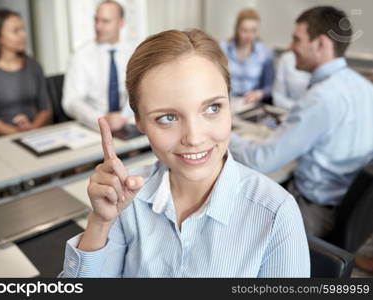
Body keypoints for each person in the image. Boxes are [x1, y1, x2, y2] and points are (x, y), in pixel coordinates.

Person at [60, 29, 310, 278]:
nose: (194, 138)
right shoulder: (125, 198)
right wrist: (100, 224)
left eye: (213, 107)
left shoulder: (276, 213)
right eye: (167, 118)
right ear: (139, 122)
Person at [230, 6, 373, 238]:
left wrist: (223, 133)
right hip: (350, 209)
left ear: (322, 44)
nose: (290, 47)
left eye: (296, 39)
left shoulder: (320, 98)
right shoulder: (365, 88)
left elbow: (260, 161)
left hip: (315, 213)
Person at [0, 9, 51, 137]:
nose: (23, 34)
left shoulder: (34, 65)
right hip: (1, 140)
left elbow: (45, 109)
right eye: (16, 31)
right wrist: (19, 134)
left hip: (35, 134)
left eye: (23, 29)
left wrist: (31, 129)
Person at [62, 0, 135, 131]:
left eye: (105, 21)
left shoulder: (134, 52)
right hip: (95, 127)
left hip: (130, 124)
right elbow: (71, 101)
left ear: (121, 23)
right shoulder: (81, 55)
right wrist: (102, 120)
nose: (98, 27)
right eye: (96, 20)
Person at [219, 9, 275, 103]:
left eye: (253, 31)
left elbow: (270, 86)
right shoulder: (223, 48)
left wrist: (259, 93)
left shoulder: (265, 52)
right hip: (227, 101)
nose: (249, 36)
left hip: (251, 103)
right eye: (244, 30)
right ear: (236, 29)